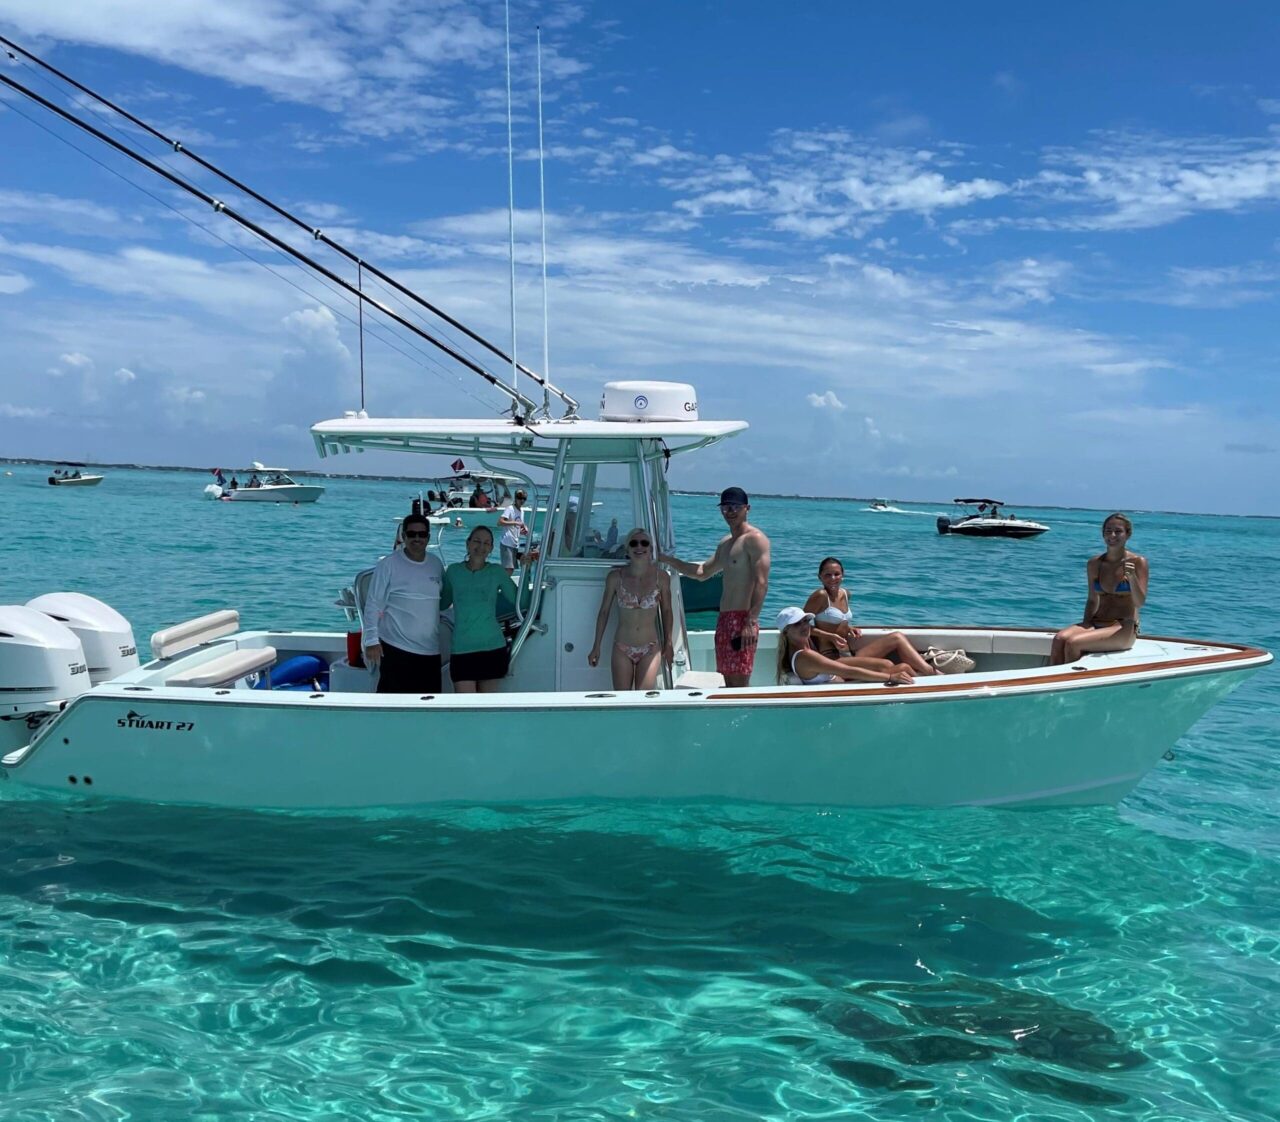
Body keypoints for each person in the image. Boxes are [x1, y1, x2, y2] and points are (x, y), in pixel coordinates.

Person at [660, 486, 770, 687]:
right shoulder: (726, 544)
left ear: (747, 508)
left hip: (742, 619)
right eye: (726, 508)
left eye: (736, 507)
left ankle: (742, 716)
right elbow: (702, 572)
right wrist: (668, 560)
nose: (730, 512)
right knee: (726, 678)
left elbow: (762, 583)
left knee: (739, 681)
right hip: (724, 619)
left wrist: (750, 621)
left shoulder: (755, 539)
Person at [803, 556, 939, 676]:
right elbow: (799, 625)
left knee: (896, 637)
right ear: (819, 577)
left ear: (842, 575)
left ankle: (931, 673)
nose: (833, 578)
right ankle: (928, 679)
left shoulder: (845, 593)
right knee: (889, 665)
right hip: (831, 658)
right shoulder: (820, 596)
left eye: (836, 574)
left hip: (848, 653)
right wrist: (830, 636)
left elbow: (835, 621)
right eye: (827, 575)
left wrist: (849, 628)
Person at [362, 512, 446, 693]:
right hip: (395, 648)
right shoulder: (388, 564)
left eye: (422, 534)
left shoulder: (436, 564)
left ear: (428, 537)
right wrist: (371, 640)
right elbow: (373, 603)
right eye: (411, 534)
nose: (417, 538)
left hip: (430, 651)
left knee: (427, 707)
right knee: (391, 705)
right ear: (403, 536)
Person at [1050, 513, 1148, 665]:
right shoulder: (1094, 563)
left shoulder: (1138, 562)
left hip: (1123, 626)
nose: (1112, 535)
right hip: (1097, 622)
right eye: (1108, 531)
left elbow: (1140, 602)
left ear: (1128, 534)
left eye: (1118, 531)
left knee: (1073, 643)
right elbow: (1092, 599)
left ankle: (1074, 685)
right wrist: (1086, 626)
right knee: (1059, 640)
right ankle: (1051, 683)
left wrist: (1132, 578)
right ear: (1103, 534)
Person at [588, 527, 674, 690]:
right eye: (634, 543)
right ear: (627, 549)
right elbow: (604, 612)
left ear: (651, 548)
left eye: (644, 543)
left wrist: (668, 642)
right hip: (622, 647)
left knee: (643, 698)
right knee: (623, 700)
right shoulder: (615, 577)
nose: (639, 547)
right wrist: (596, 646)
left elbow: (667, 611)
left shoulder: (661, 578)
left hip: (650, 647)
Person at [441, 526, 516, 693]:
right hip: (462, 649)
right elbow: (442, 604)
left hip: (492, 648)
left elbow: (519, 600)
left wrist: (526, 570)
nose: (481, 546)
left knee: (486, 711)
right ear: (467, 543)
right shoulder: (453, 571)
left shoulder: (496, 572)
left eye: (486, 543)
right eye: (476, 541)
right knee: (465, 709)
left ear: (491, 549)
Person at [775, 607, 913, 686]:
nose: (804, 626)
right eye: (797, 623)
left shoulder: (798, 647)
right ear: (786, 631)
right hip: (845, 688)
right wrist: (890, 677)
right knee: (903, 668)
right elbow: (848, 671)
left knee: (888, 664)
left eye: (806, 621)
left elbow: (813, 630)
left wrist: (832, 635)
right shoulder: (806, 656)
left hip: (840, 682)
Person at [499, 489, 529, 575]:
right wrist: (515, 522)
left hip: (515, 543)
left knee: (510, 569)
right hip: (507, 543)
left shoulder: (522, 511)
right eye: (519, 498)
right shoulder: (510, 509)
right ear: (515, 498)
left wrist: (522, 530)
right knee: (509, 569)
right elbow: (500, 522)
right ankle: (503, 586)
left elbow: (517, 527)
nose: (522, 500)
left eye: (524, 498)